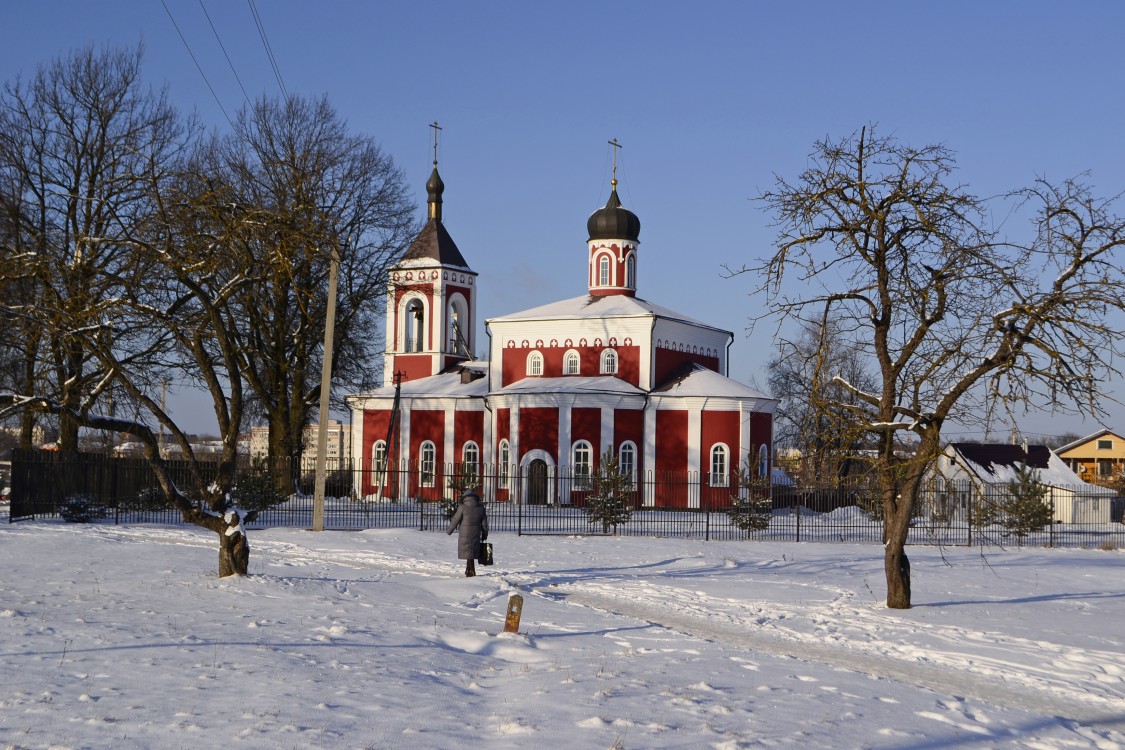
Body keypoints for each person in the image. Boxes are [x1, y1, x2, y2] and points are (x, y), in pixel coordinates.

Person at [446, 487, 488, 577]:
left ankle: (469, 570)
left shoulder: (462, 507)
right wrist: (485, 534)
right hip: (476, 532)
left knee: (468, 551)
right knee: (472, 550)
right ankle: (470, 569)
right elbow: (484, 523)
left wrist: (449, 531)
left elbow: (455, 519)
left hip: (464, 532)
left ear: (465, 497)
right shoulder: (481, 508)